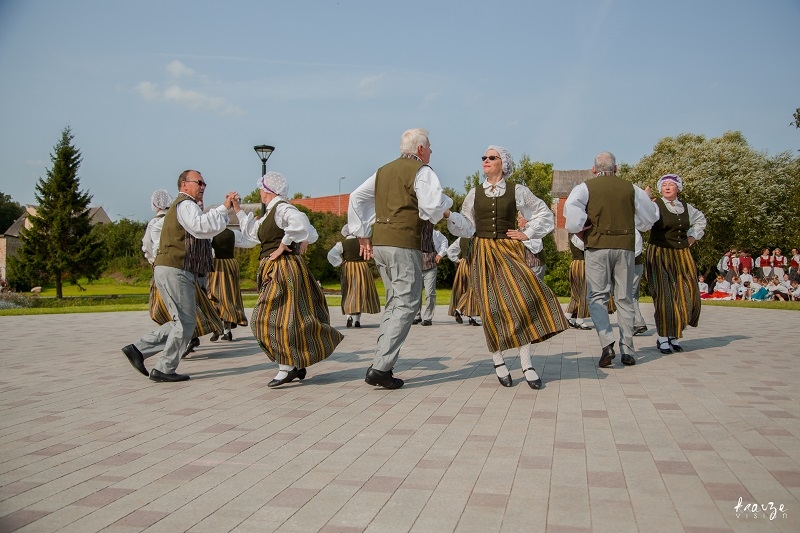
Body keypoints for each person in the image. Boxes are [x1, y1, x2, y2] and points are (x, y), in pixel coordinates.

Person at [447, 145, 569, 389]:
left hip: (508, 249)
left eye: (492, 157)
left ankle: (526, 362)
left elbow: (544, 213)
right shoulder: (474, 193)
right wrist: (449, 216)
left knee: (523, 300)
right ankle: (498, 359)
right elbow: (466, 227)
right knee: (491, 308)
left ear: (504, 163)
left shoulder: (518, 190)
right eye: (484, 157)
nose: (486, 160)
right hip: (481, 251)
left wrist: (528, 233)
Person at [347, 128, 453, 389]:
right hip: (403, 243)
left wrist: (362, 233)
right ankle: (381, 368)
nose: (430, 152)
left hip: (381, 242)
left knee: (394, 303)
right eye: (429, 147)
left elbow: (355, 197)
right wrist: (446, 210)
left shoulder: (383, 170)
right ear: (419, 149)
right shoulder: (423, 171)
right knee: (407, 305)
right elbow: (430, 208)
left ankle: (380, 361)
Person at [122, 170, 235, 382]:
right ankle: (163, 368)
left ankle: (138, 349)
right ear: (184, 185)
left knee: (182, 321)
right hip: (175, 268)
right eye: (199, 182)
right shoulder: (185, 204)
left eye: (204, 183)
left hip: (176, 268)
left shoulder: (185, 205)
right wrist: (223, 208)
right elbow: (201, 227)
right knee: (185, 322)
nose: (203, 186)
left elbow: (206, 230)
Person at [235, 171, 344, 387]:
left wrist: (286, 243)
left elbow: (302, 225)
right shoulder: (270, 214)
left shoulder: (282, 208)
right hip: (274, 268)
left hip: (283, 268)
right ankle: (293, 363)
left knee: (267, 318)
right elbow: (252, 235)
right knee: (286, 318)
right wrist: (238, 209)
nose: (259, 192)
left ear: (267, 190)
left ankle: (287, 367)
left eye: (261, 188)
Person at [564, 151, 660, 368]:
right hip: (625, 247)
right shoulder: (631, 188)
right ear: (616, 168)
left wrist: (580, 229)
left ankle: (607, 343)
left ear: (594, 169)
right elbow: (649, 218)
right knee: (624, 297)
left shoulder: (585, 188)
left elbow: (570, 213)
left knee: (597, 296)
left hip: (597, 246)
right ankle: (628, 348)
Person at [646, 174, 707, 354]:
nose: (667, 187)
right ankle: (664, 337)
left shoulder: (687, 208)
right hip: (659, 253)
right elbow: (643, 220)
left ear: (678, 188)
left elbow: (701, 221)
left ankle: (674, 333)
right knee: (664, 295)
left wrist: (692, 238)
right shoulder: (655, 206)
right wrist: (646, 200)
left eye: (671, 184)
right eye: (664, 184)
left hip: (682, 253)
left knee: (688, 293)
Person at [327, 224, 381, 328]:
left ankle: (348, 317)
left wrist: (339, 263)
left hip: (349, 268)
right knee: (361, 293)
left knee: (348, 291)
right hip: (362, 268)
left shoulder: (342, 244)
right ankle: (357, 320)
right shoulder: (363, 243)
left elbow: (331, 254)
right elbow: (374, 254)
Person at [207, 226, 256, 342]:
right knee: (229, 296)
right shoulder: (233, 233)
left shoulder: (210, 233)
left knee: (214, 296)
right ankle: (227, 331)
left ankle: (217, 329)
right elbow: (250, 243)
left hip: (217, 266)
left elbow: (211, 252)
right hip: (231, 264)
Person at [412, 221, 449, 326]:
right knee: (416, 292)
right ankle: (416, 316)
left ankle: (428, 318)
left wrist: (441, 254)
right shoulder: (414, 233)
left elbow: (444, 241)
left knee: (430, 293)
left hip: (430, 266)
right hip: (417, 266)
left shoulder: (435, 233)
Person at [446, 237, 481, 326]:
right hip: (474, 264)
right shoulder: (480, 237)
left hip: (463, 264)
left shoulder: (462, 238)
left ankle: (472, 317)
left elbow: (450, 251)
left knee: (469, 288)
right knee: (473, 289)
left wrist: (457, 260)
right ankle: (458, 310)